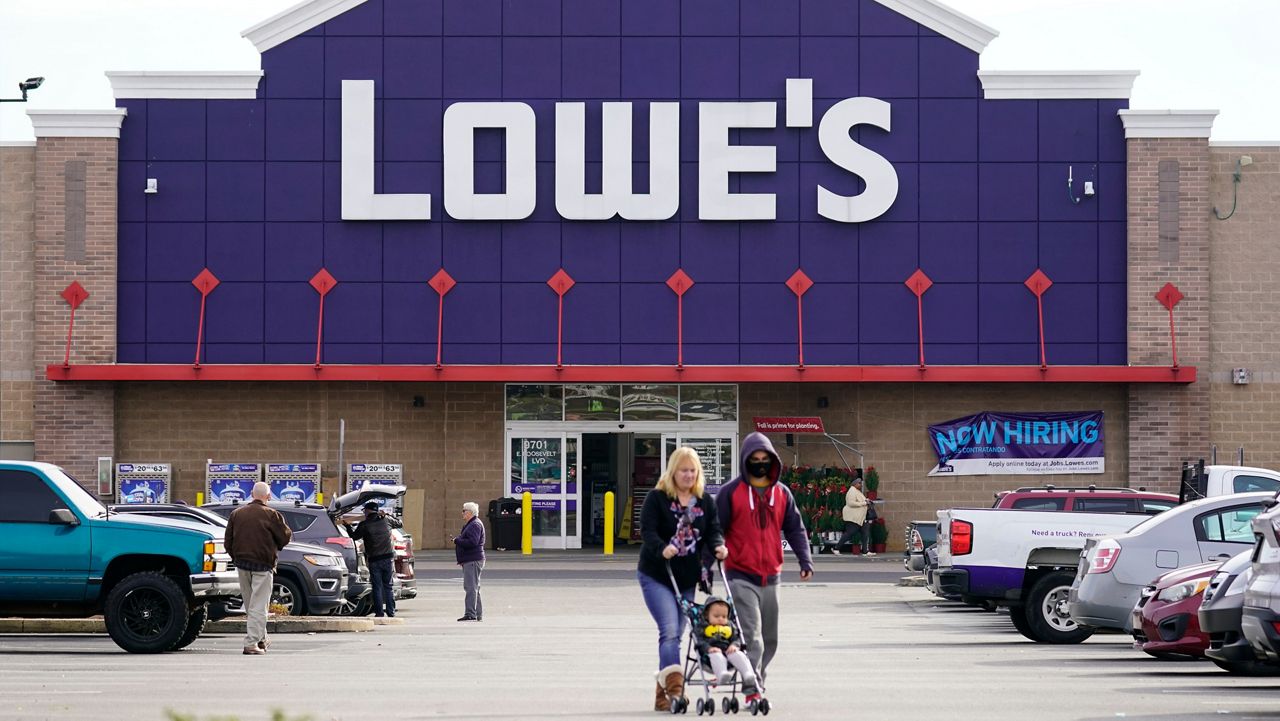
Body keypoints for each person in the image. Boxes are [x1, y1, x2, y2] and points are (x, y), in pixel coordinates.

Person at [716, 432, 813, 683]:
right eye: (754, 459)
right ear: (745, 461)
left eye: (764, 459)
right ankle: (753, 682)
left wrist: (805, 560)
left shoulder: (782, 494)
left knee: (770, 638)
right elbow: (715, 530)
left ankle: (755, 673)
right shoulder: (730, 492)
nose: (760, 463)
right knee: (753, 636)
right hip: (740, 575)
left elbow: (795, 528)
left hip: (772, 576)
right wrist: (707, 565)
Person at [638, 446, 727, 712]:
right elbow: (647, 530)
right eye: (683, 470)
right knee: (669, 631)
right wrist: (662, 547)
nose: (688, 475)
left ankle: (662, 695)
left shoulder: (704, 501)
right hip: (657, 573)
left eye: (692, 470)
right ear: (673, 472)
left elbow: (713, 531)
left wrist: (719, 546)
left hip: (687, 577)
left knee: (678, 634)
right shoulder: (657, 498)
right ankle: (676, 692)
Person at [223, 481, 292, 655]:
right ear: (268, 496)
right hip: (263, 564)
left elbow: (228, 541)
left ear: (252, 494)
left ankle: (261, 639)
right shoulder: (272, 515)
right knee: (259, 606)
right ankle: (251, 643)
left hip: (242, 564)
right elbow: (285, 538)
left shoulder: (236, 514)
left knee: (251, 605)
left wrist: (235, 556)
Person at [694, 597, 761, 704]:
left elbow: (737, 638)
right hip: (711, 655)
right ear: (707, 615)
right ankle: (722, 675)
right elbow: (699, 641)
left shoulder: (730, 626)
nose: (721, 619)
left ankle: (748, 673)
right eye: (716, 616)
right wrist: (708, 648)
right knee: (717, 655)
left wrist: (735, 645)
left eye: (724, 616)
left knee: (739, 654)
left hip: (729, 652)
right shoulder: (702, 627)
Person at [344, 501, 403, 618]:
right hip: (388, 559)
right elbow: (400, 523)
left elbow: (354, 537)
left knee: (377, 587)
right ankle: (391, 612)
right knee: (388, 586)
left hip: (374, 560)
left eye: (365, 511)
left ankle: (379, 612)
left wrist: (347, 526)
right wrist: (387, 515)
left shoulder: (364, 525)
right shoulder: (386, 520)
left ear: (367, 511)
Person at [451, 501, 485, 622]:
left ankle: (470, 613)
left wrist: (457, 541)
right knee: (475, 587)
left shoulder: (474, 524)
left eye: (464, 510)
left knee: (470, 587)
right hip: (471, 559)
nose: (462, 513)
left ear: (470, 512)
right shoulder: (471, 524)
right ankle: (477, 614)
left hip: (472, 559)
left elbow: (473, 542)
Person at [834, 478, 869, 556]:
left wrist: (867, 501)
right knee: (850, 533)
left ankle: (865, 551)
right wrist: (863, 503)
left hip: (861, 518)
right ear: (855, 484)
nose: (861, 484)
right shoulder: (852, 491)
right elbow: (851, 503)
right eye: (859, 483)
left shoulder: (857, 491)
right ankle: (836, 548)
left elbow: (863, 500)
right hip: (854, 518)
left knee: (865, 533)